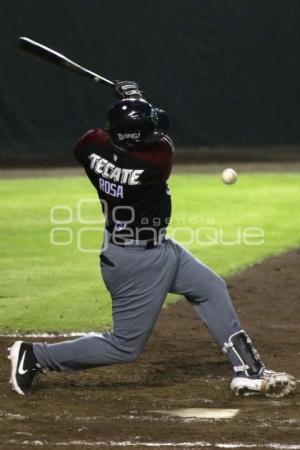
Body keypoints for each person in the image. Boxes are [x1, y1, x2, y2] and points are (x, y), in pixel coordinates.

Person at [8, 81, 295, 398]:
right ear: (135, 140)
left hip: (152, 249)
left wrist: (128, 109)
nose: (154, 134)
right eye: (147, 130)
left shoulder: (90, 148)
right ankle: (34, 355)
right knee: (125, 347)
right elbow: (162, 143)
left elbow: (94, 138)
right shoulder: (153, 164)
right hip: (137, 263)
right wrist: (133, 97)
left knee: (210, 287)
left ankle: (249, 372)